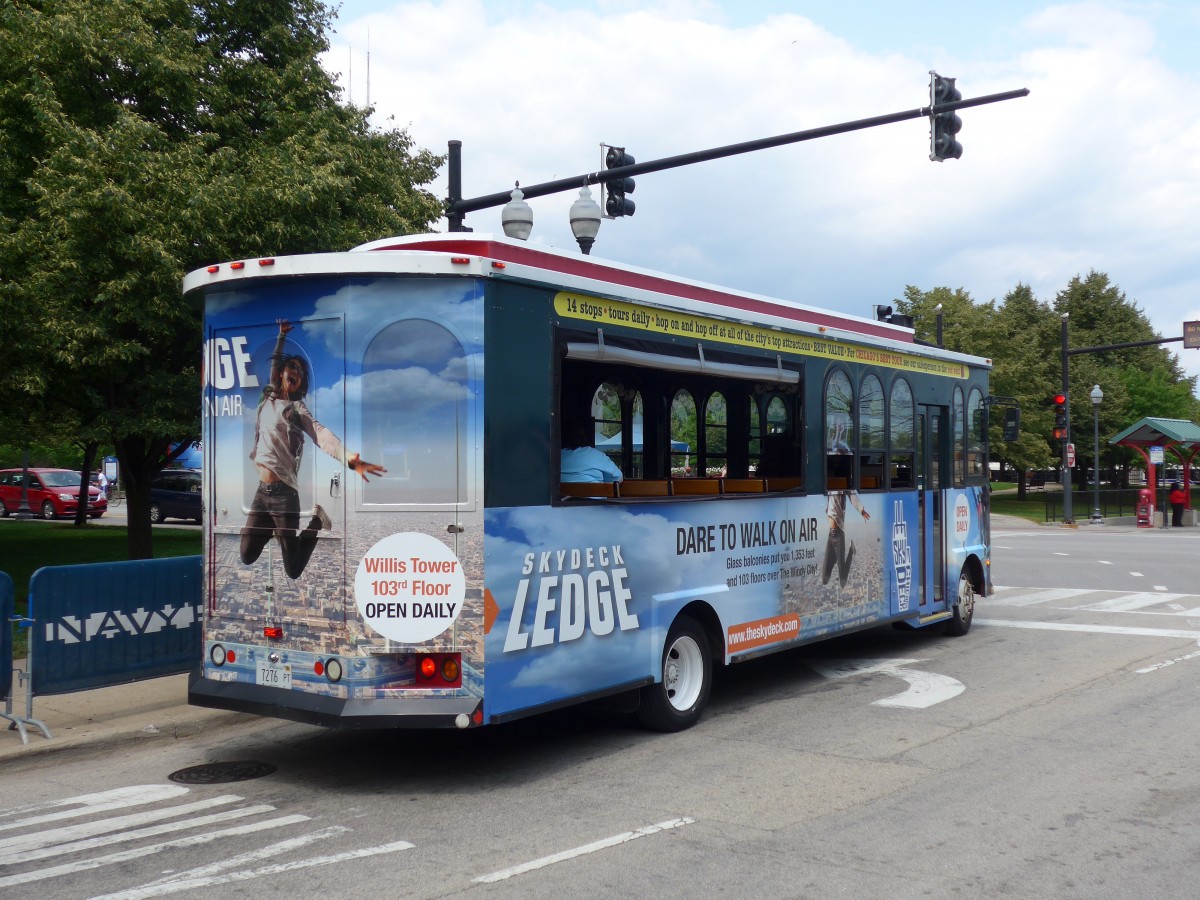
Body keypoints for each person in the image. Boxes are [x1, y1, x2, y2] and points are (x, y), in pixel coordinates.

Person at [240, 319, 385, 579]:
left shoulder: (297, 410)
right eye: (291, 367)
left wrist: (351, 460)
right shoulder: (268, 397)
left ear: (301, 382)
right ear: (282, 373)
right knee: (246, 555)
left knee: (293, 570)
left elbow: (321, 434)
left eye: (301, 372)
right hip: (262, 493)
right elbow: (274, 361)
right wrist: (281, 337)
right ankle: (275, 528)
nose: (296, 372)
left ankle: (317, 521)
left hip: (284, 496)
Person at [822, 489, 870, 589]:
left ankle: (851, 550)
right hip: (830, 535)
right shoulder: (828, 488)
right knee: (824, 580)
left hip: (839, 534)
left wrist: (862, 511)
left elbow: (852, 495)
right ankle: (835, 557)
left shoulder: (842, 487)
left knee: (843, 582)